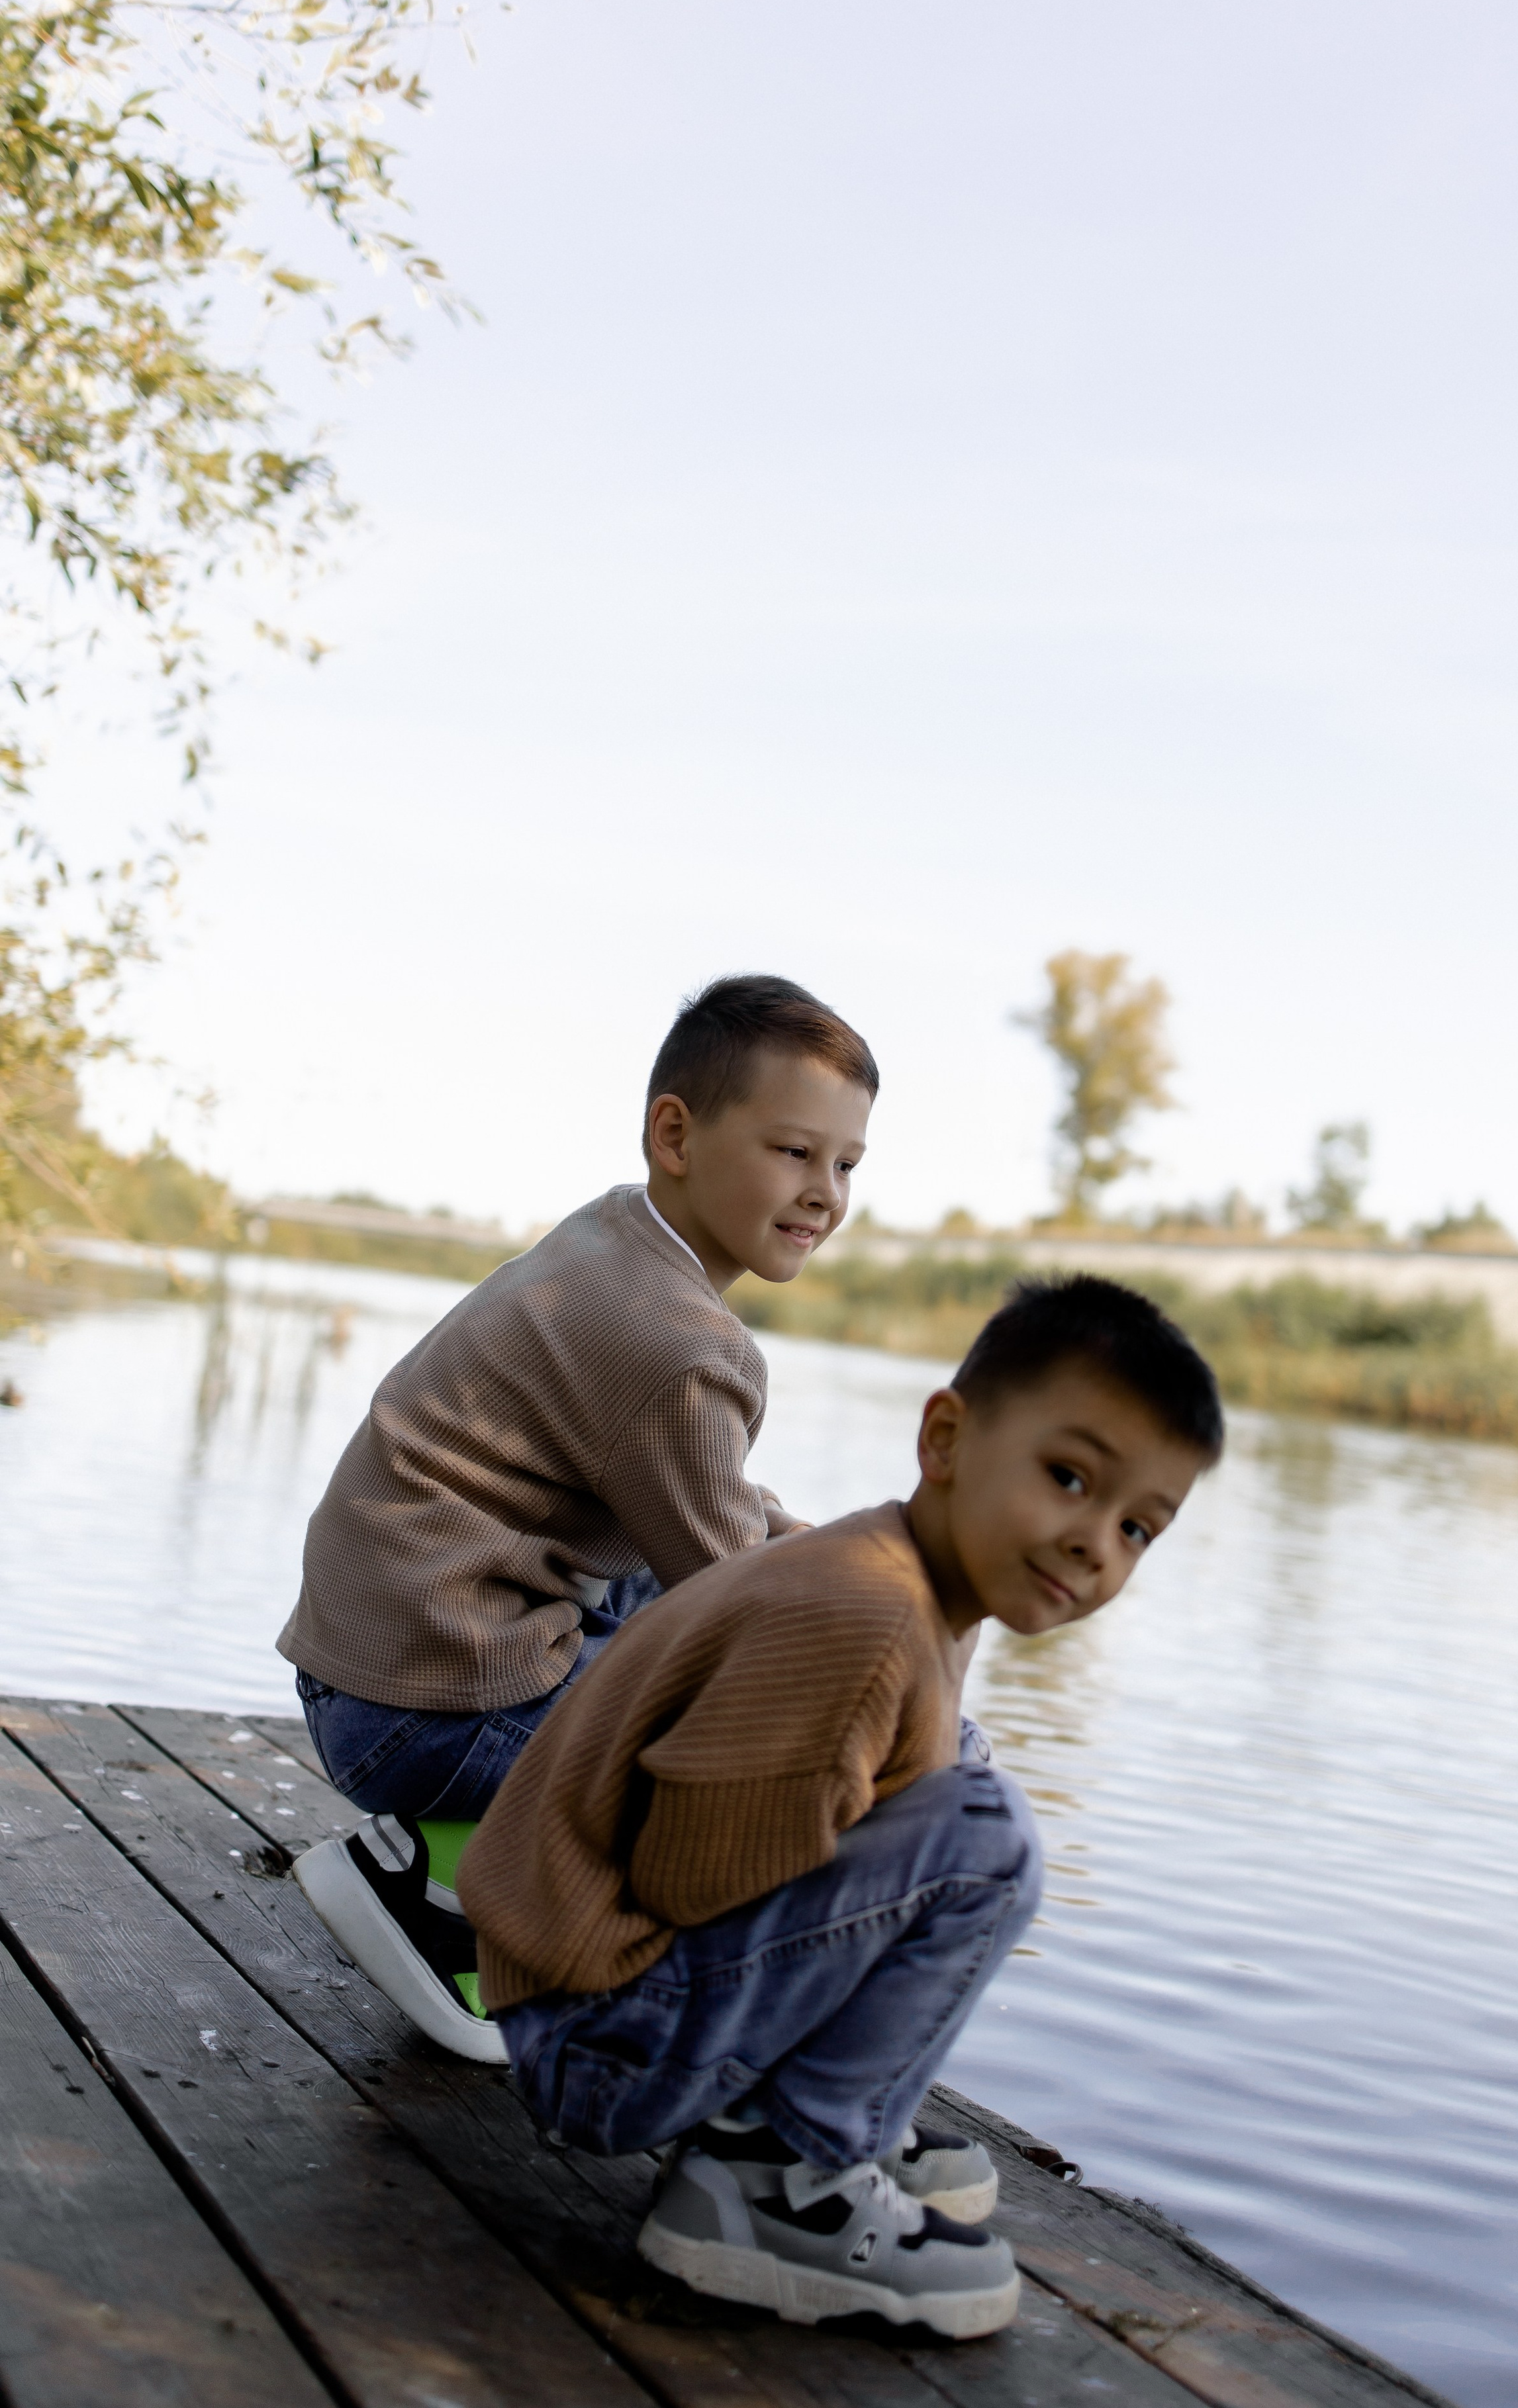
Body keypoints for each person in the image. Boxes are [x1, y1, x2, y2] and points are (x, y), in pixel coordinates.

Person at [459, 1275, 1225, 2340]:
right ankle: (786, 2172)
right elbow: (688, 1877)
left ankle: (805, 2118)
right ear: (947, 1440)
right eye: (1067, 1477)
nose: (1097, 1541)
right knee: (983, 1840)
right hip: (600, 2040)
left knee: (957, 1775)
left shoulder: (903, 1579)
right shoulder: (863, 1620)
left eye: (1140, 1527)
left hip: (588, 2002)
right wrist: (850, 1829)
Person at [281, 974, 878, 2060]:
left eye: (846, 1164)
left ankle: (468, 1869)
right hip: (426, 1714)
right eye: (795, 1152)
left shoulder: (614, 1241)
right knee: (761, 1762)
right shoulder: (684, 1346)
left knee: (694, 1600)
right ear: (675, 1134)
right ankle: (451, 1890)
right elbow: (732, 1604)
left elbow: (711, 1512)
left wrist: (831, 1550)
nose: (825, 1193)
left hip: (370, 1667)